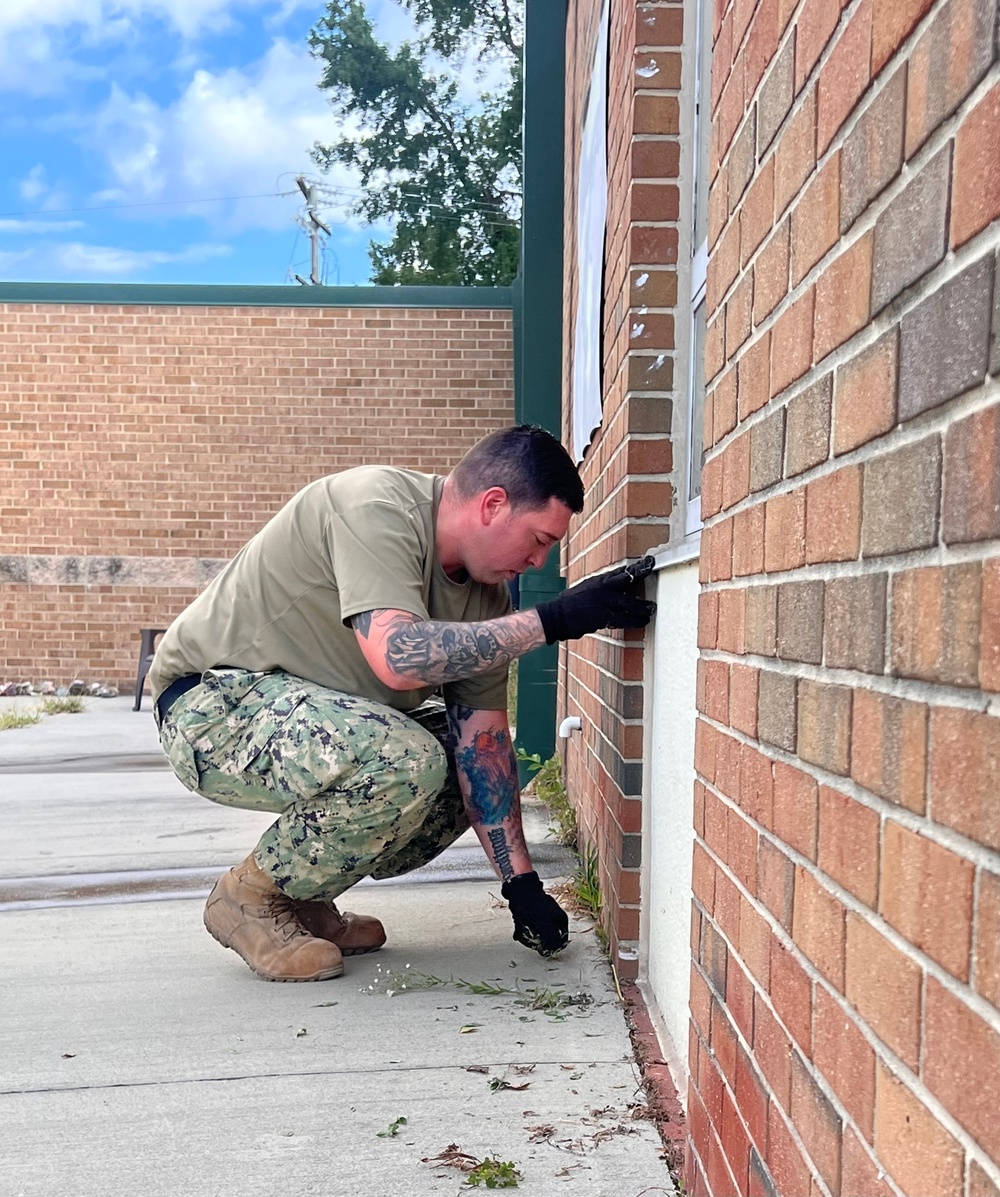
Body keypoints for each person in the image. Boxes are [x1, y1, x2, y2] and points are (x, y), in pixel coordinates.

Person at [151, 424, 655, 983]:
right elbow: (400, 655)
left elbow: (481, 745)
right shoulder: (376, 506)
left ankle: (304, 895)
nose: (539, 563)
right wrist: (553, 620)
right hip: (213, 710)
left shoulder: (486, 598)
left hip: (313, 721)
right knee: (406, 758)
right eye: (538, 540)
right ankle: (249, 898)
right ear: (493, 505)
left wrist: (521, 886)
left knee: (462, 762)